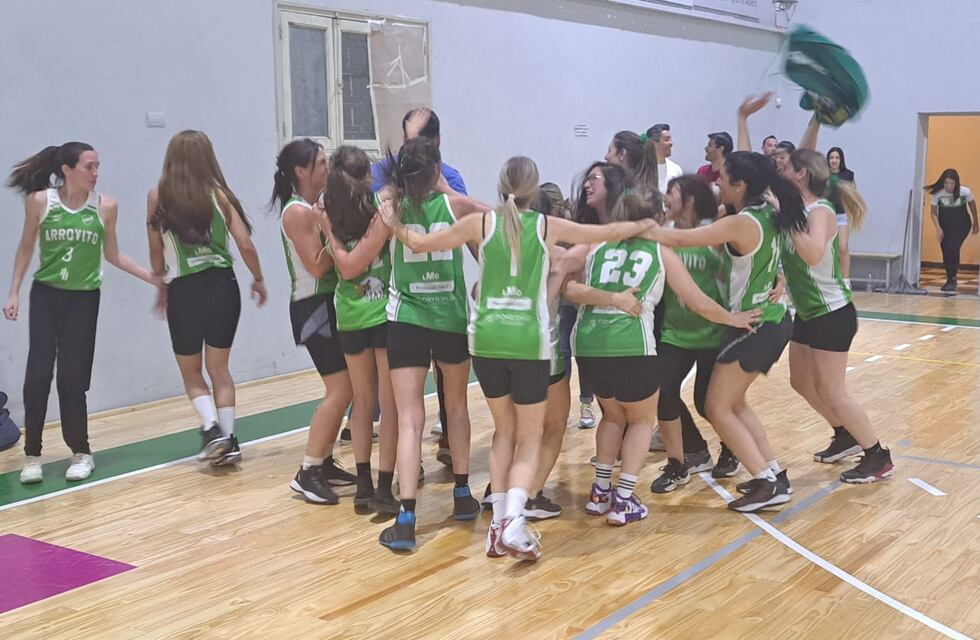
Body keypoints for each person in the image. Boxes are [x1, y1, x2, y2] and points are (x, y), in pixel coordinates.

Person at [386, 156, 657, 558]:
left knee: (503, 433)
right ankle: (514, 518)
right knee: (532, 436)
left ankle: (497, 525)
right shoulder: (546, 226)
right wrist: (647, 225)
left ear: (501, 186)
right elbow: (606, 230)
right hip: (527, 341)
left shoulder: (481, 224)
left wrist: (389, 217)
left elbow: (419, 242)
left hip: (486, 341)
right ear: (534, 191)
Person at [568, 188, 759, 525]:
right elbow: (698, 302)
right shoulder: (660, 250)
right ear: (655, 218)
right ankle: (623, 498)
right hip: (631, 346)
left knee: (611, 417)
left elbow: (569, 288)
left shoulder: (596, 247)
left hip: (588, 345)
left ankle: (599, 493)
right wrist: (734, 318)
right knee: (641, 420)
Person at [644, 151, 807, 513]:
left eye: (722, 178)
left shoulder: (742, 222)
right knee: (733, 404)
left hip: (757, 323)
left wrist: (633, 226)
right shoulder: (769, 212)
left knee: (716, 407)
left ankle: (766, 481)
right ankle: (774, 474)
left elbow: (685, 240)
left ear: (740, 185)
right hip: (772, 320)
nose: (716, 183)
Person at [6, 142, 158, 483]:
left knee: (73, 381)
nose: (95, 173)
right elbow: (26, 246)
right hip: (46, 296)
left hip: (84, 300)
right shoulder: (41, 201)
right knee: (37, 377)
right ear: (66, 169)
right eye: (89, 166)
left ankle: (81, 451)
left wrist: (154, 279)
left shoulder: (106, 207)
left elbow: (114, 255)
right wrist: (14, 291)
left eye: (97, 166)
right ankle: (32, 456)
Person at [375, 137, 486, 551]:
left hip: (407, 319)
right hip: (450, 318)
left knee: (409, 419)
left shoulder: (390, 209)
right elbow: (488, 241)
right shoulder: (457, 207)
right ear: (437, 170)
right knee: (456, 406)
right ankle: (461, 493)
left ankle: (405, 517)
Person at [147, 130, 267, 468]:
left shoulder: (158, 196)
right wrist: (258, 278)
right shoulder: (220, 195)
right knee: (220, 369)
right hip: (223, 285)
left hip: (184, 289)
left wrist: (159, 280)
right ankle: (229, 440)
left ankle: (211, 428)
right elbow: (245, 245)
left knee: (191, 371)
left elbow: (156, 254)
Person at [780, 149, 894, 482]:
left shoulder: (821, 211)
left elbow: (813, 254)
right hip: (808, 312)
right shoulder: (800, 210)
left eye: (786, 166)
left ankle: (877, 455)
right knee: (800, 382)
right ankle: (844, 435)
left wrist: (786, 217)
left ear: (801, 174)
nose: (779, 169)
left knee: (833, 390)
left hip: (832, 313)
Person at [268, 138, 358, 504]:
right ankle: (307, 471)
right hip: (312, 305)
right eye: (321, 163)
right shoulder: (298, 213)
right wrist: (339, 234)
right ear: (301, 171)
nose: (327, 168)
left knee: (348, 387)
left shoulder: (312, 208)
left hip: (325, 302)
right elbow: (318, 265)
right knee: (340, 389)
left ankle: (322, 462)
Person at [372, 107, 463, 465]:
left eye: (418, 141)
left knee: (446, 399)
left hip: (444, 307)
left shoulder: (451, 182)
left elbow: (474, 232)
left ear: (436, 144)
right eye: (407, 139)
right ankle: (397, 475)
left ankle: (449, 461)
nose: (411, 149)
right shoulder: (384, 177)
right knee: (396, 404)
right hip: (399, 304)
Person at [322, 145, 400, 513]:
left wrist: (330, 235)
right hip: (381, 314)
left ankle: (364, 484)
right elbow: (353, 266)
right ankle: (382, 487)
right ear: (366, 176)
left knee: (363, 401)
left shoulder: (329, 212)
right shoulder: (379, 211)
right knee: (387, 402)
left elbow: (344, 265)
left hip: (350, 316)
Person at [649, 175, 739, 493]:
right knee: (662, 392)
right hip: (675, 332)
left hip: (714, 332)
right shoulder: (665, 237)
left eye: (671, 191)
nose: (665, 197)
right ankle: (683, 459)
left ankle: (731, 448)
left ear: (687, 199)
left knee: (707, 401)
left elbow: (735, 273)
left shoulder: (713, 235)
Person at [926, 169, 978, 292]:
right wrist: (938, 228)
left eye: (952, 183)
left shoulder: (965, 192)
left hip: (962, 225)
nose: (949, 186)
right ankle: (950, 278)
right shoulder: (938, 194)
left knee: (953, 247)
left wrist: (976, 223)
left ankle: (952, 278)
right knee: (945, 251)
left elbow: (973, 206)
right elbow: (933, 213)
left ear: (956, 182)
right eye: (946, 183)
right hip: (945, 226)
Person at [827, 147, 855, 282]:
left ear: (841, 160)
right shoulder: (823, 175)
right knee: (827, 249)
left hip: (842, 215)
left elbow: (853, 196)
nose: (834, 160)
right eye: (831, 157)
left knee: (842, 247)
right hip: (826, 216)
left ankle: (845, 280)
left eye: (837, 158)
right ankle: (830, 278)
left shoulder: (848, 175)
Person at [646, 123, 683, 195]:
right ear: (654, 143)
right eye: (667, 139)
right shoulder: (642, 168)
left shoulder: (676, 169)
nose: (671, 143)